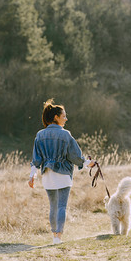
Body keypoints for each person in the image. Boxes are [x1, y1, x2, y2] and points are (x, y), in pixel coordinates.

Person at [28, 99, 95, 244]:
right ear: (56, 117)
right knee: (61, 206)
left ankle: (54, 236)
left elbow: (36, 159)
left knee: (53, 206)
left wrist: (32, 175)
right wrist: (88, 163)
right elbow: (75, 156)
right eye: (64, 116)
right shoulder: (66, 135)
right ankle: (58, 236)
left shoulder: (39, 135)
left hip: (47, 175)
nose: (66, 118)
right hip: (63, 174)